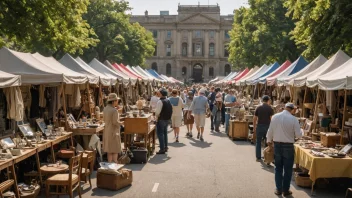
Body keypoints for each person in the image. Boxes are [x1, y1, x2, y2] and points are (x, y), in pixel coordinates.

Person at [266, 103, 303, 196]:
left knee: (278, 168)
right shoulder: (294, 119)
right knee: (288, 169)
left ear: (285, 108)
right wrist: (301, 131)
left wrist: (269, 141)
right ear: (293, 109)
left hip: (277, 145)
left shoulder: (275, 117)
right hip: (288, 146)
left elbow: (270, 130)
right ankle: (285, 190)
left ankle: (278, 189)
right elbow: (298, 135)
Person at [103, 93, 123, 163]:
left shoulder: (105, 109)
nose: (117, 102)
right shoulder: (114, 110)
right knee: (115, 150)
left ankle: (109, 167)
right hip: (114, 132)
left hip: (107, 131)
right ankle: (114, 166)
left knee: (109, 150)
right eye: (117, 100)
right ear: (113, 101)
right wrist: (122, 123)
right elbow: (115, 122)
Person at [253, 95, 274, 162]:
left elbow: (255, 118)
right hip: (267, 127)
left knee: (258, 142)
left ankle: (258, 157)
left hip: (259, 126)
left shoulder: (258, 107)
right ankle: (266, 156)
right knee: (267, 142)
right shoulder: (270, 108)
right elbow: (271, 119)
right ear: (268, 100)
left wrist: (254, 127)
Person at [155, 88, 173, 154]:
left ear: (161, 94)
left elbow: (157, 112)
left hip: (161, 119)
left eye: (159, 93)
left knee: (160, 134)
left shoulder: (160, 101)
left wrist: (156, 117)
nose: (158, 94)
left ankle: (162, 149)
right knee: (165, 133)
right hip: (167, 119)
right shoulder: (168, 100)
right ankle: (165, 147)